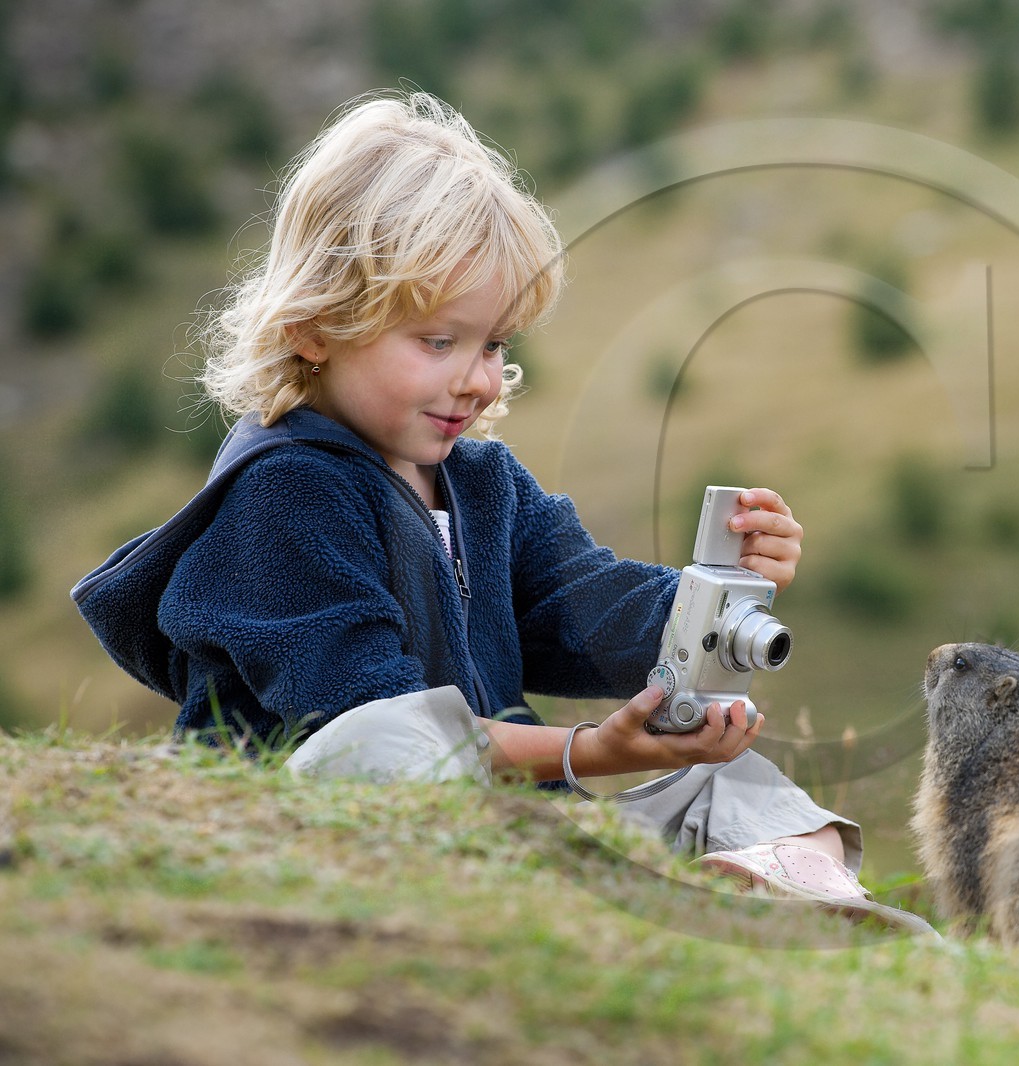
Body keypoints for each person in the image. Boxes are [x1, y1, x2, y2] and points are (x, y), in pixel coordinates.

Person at [71, 91, 931, 935]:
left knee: (733, 783)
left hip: (510, 832)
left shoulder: (484, 486)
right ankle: (692, 908)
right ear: (316, 326)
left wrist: (728, 591)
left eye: (494, 345)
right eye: (439, 342)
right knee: (377, 740)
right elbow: (370, 731)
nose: (477, 378)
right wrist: (580, 754)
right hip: (326, 840)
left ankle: (818, 912)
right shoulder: (283, 493)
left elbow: (587, 609)